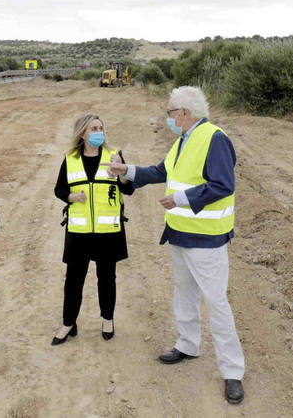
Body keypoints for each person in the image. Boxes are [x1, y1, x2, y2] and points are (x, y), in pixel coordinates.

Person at [105, 86, 246, 404]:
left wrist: (181, 198)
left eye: (169, 112)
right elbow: (161, 171)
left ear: (184, 112)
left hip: (207, 239)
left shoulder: (215, 138)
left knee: (216, 303)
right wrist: (125, 170)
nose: (167, 117)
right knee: (184, 294)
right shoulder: (182, 140)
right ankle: (188, 345)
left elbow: (223, 184)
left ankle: (232, 371)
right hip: (180, 233)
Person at [51, 114, 134, 345]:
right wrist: (71, 196)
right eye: (93, 128)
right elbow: (58, 190)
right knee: (74, 280)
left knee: (107, 277)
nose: (99, 132)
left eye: (101, 127)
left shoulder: (113, 155)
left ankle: (107, 319)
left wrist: (123, 175)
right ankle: (69, 323)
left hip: (109, 233)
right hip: (79, 233)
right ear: (83, 134)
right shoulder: (70, 159)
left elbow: (128, 190)